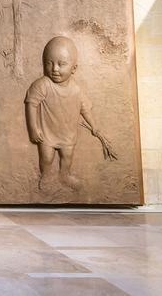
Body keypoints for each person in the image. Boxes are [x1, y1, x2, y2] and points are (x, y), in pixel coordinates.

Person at [24, 36, 104, 190]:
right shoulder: (42, 85)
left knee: (67, 157)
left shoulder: (77, 90)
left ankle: (64, 175)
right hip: (46, 134)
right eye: (49, 63)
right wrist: (33, 129)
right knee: (46, 158)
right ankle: (46, 177)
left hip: (68, 134)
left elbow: (85, 109)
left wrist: (94, 126)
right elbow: (31, 104)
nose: (54, 69)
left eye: (61, 64)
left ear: (74, 68)